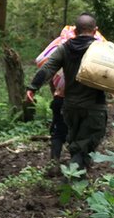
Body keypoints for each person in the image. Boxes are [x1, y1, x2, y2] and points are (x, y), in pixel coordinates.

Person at [26, 14, 108, 171]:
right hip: (94, 106)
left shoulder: (64, 48)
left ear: (75, 31)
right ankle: (71, 175)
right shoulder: (102, 48)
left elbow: (48, 68)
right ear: (95, 30)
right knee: (85, 144)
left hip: (70, 106)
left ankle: (76, 176)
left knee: (76, 141)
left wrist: (32, 88)